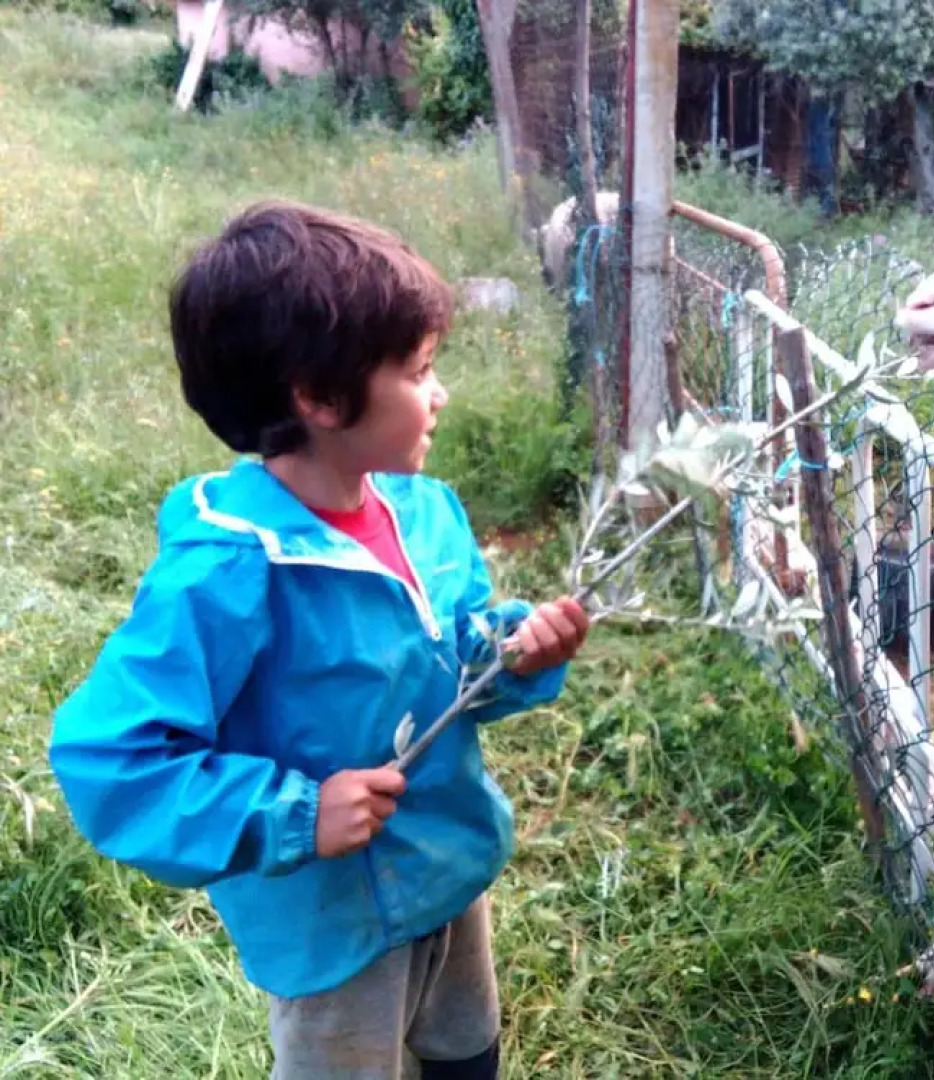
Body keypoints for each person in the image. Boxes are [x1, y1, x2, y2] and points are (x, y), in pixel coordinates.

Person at [48, 200, 589, 1080]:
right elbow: (111, 760)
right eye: (418, 372)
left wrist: (515, 649)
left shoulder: (423, 512)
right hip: (331, 929)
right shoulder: (230, 573)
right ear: (322, 398)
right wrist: (297, 813)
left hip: (447, 867)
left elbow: (451, 651)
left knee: (464, 1050)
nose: (439, 391)